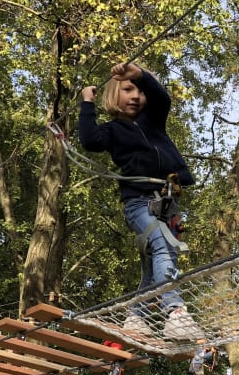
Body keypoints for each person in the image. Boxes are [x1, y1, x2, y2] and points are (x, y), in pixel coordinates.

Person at [79, 62, 203, 341]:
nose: (135, 96)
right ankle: (175, 312)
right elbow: (90, 140)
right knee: (161, 247)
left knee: (157, 261)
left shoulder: (154, 121)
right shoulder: (112, 131)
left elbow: (162, 98)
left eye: (139, 91)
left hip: (167, 203)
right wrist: (87, 103)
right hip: (139, 202)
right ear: (113, 95)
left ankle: (136, 317)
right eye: (127, 89)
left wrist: (141, 76)